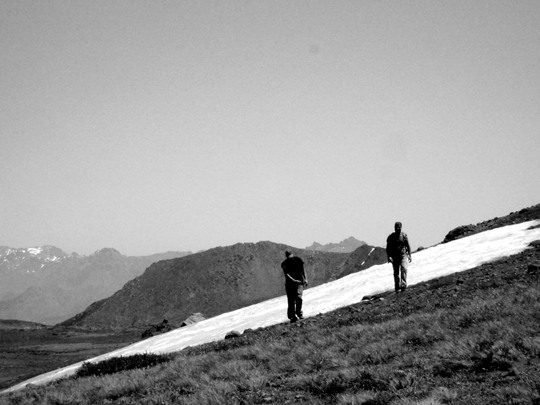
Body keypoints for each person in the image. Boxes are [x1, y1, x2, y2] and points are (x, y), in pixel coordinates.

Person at [281, 250, 308, 323]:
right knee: (293, 299)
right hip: (293, 283)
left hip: (297, 282)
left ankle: (298, 313)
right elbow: (287, 274)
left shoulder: (297, 260)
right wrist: (303, 279)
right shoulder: (285, 263)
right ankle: (293, 315)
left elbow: (303, 270)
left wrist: (305, 279)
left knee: (296, 298)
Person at [386, 221, 412, 293]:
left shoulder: (404, 236)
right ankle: (397, 287)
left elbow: (408, 245)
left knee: (404, 269)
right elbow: (388, 247)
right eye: (397, 228)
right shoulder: (391, 237)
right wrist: (389, 256)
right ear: (394, 228)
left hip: (403, 255)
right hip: (395, 257)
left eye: (399, 228)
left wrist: (409, 255)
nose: (398, 229)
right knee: (396, 273)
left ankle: (403, 285)